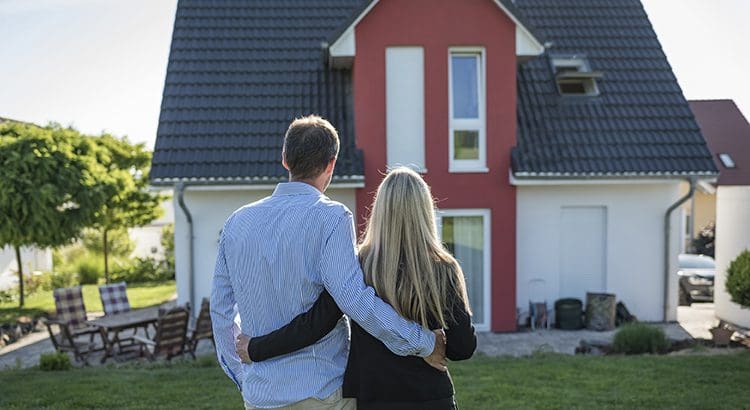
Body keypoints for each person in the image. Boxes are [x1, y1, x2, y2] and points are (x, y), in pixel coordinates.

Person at [210, 115, 447, 410]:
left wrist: (244, 377)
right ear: (331, 164)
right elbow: (353, 299)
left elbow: (220, 311)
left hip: (261, 397)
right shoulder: (331, 217)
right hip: (323, 394)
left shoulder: (237, 222)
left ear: (285, 159)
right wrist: (422, 342)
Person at [237, 166, 477, 409]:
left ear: (380, 210)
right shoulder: (444, 268)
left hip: (373, 397)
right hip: (431, 397)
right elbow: (463, 348)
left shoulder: (357, 265)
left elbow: (315, 324)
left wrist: (256, 348)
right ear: (425, 211)